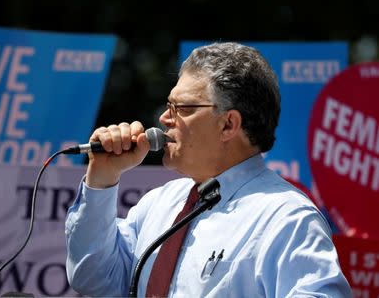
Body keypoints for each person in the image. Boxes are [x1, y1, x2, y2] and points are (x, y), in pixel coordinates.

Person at [65, 42, 352, 297]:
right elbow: (93, 280)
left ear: (228, 124)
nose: (164, 118)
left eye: (182, 108)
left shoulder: (287, 218)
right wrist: (101, 180)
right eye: (168, 106)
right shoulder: (160, 203)